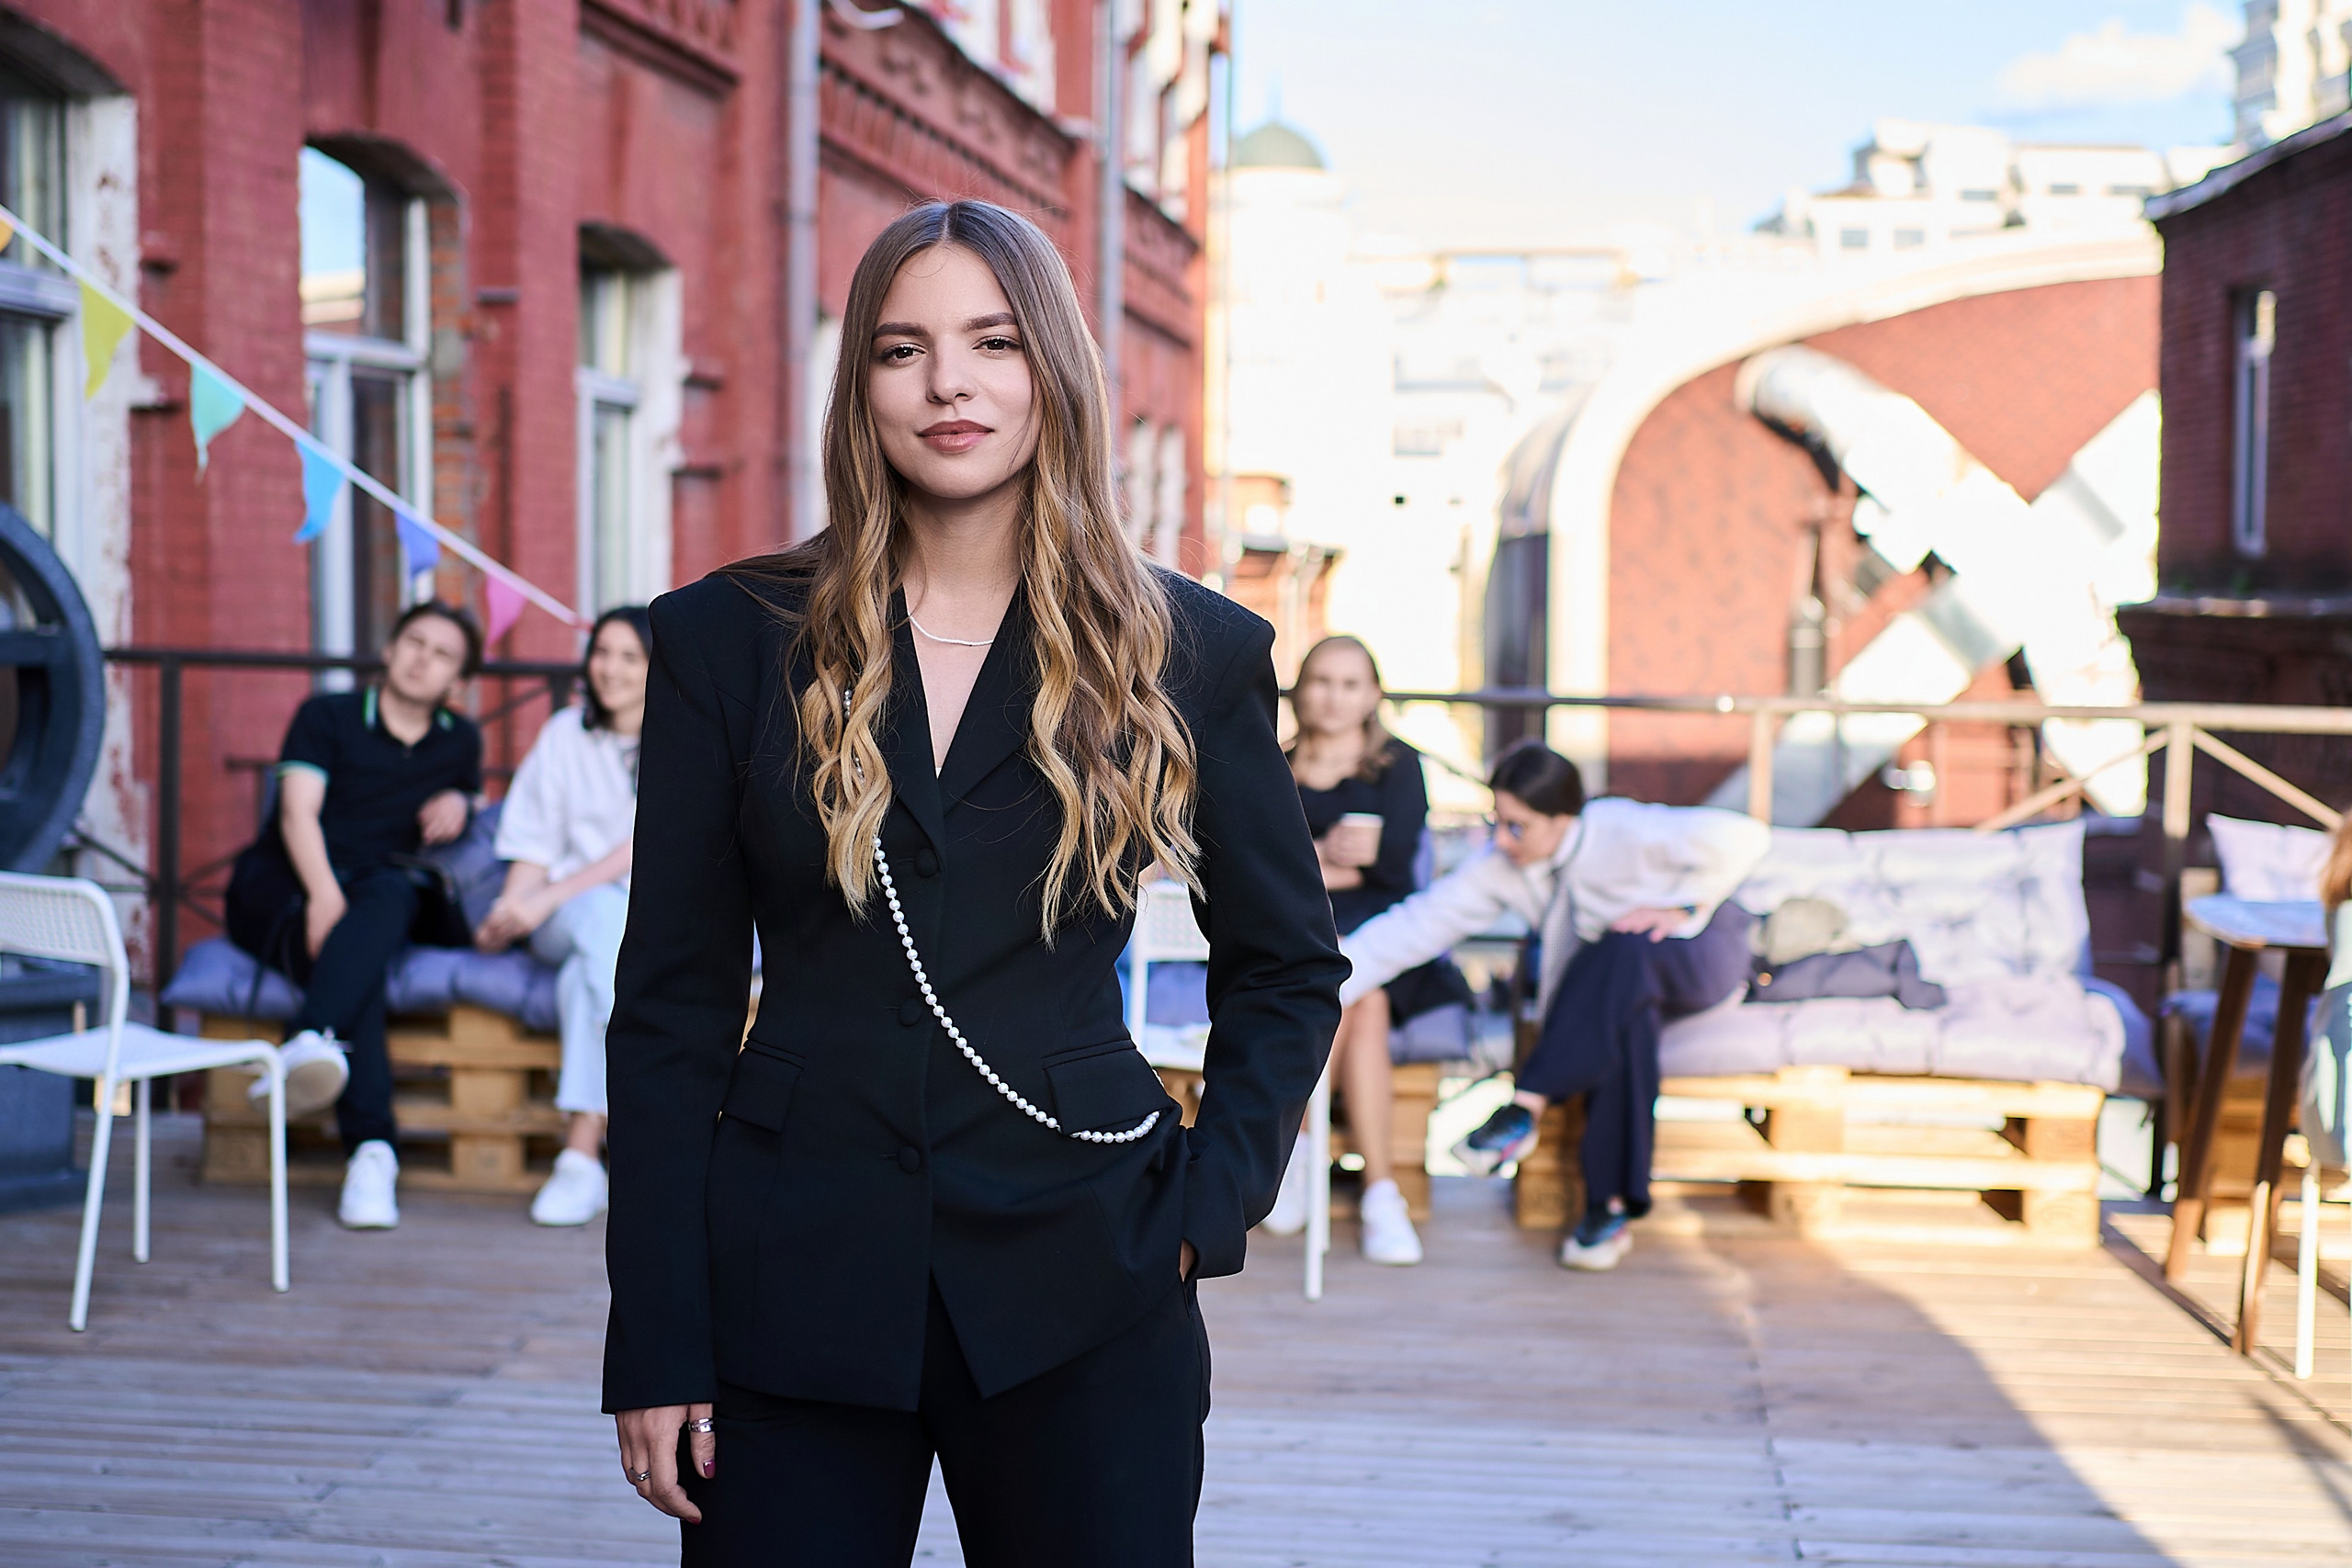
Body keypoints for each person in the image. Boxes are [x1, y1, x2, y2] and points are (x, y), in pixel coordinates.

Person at [603, 199, 1343, 1566]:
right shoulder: (725, 639)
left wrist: (1208, 1204)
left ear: (1050, 368)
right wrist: (655, 1334)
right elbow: (670, 1008)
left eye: (992, 342)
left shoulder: (1189, 646)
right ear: (861, 387)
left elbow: (1290, 964)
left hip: (1090, 1271)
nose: (949, 382)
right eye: (903, 348)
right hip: (790, 1281)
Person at [1338, 741, 1768, 1272]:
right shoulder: (1502, 865)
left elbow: (1747, 837)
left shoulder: (1623, 829)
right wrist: (1323, 983)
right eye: (1498, 821)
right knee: (1628, 1011)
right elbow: (1416, 926)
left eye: (1518, 827)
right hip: (1617, 992)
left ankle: (1528, 1104)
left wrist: (1682, 908)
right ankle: (1609, 1209)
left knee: (1623, 944)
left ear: (1564, 819)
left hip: (1703, 953)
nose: (1502, 839)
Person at [224, 601, 485, 1233]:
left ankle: (311, 1040)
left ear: (457, 683)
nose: (423, 657)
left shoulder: (460, 741)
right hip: (286, 884)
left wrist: (461, 797)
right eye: (414, 641)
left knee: (392, 898)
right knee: (359, 959)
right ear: (390, 650)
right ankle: (373, 1151)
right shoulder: (327, 715)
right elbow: (296, 815)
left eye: (442, 653)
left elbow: (468, 796)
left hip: (377, 893)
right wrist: (321, 893)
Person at [1279, 635, 1468, 1267]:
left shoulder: (1398, 766)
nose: (1334, 697)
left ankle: (1304, 1152)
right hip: (1294, 934)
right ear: (1301, 688)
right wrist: (1331, 861)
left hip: (1381, 938)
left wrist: (1317, 862)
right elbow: (1255, 864)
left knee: (1362, 988)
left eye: (1350, 684)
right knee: (1358, 996)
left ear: (1373, 696)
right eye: (1322, 681)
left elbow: (1394, 870)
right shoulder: (1273, 762)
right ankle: (1380, 1194)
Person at [474, 606, 650, 1226]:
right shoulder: (563, 735)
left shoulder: (684, 741)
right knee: (602, 921)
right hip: (567, 918)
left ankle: (580, 1154)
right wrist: (515, 908)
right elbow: (532, 843)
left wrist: (546, 896)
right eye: (603, 652)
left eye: (630, 656)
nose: (610, 668)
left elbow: (645, 845)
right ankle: (636, 1128)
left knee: (587, 977)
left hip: (644, 924)